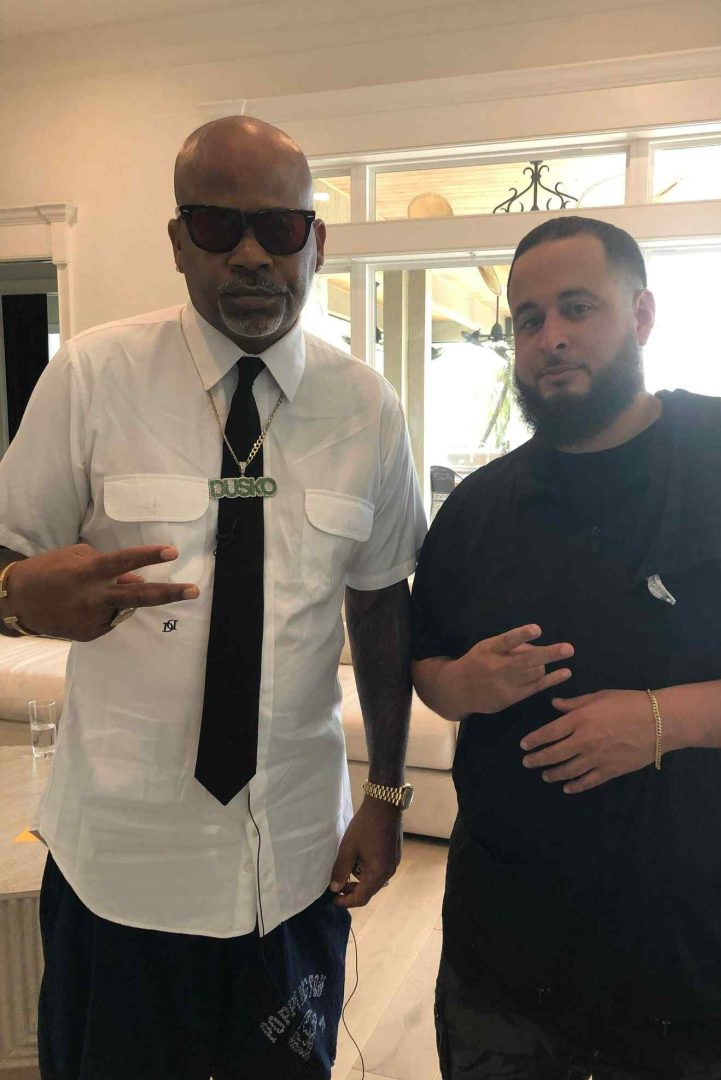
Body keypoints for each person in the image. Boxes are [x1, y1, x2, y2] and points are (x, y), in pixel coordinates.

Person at [0, 116, 425, 1079]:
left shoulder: (366, 407)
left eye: (279, 229)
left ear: (317, 242)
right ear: (178, 241)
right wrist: (17, 594)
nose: (250, 256)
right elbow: (10, 562)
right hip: (120, 863)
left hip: (297, 861)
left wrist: (390, 795)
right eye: (217, 225)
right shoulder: (92, 379)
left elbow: (382, 601)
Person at [411, 215, 721, 1080]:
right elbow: (427, 669)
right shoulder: (479, 510)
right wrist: (463, 684)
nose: (551, 338)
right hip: (508, 963)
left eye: (578, 308)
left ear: (642, 315)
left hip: (707, 959)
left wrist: (659, 720)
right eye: (527, 320)